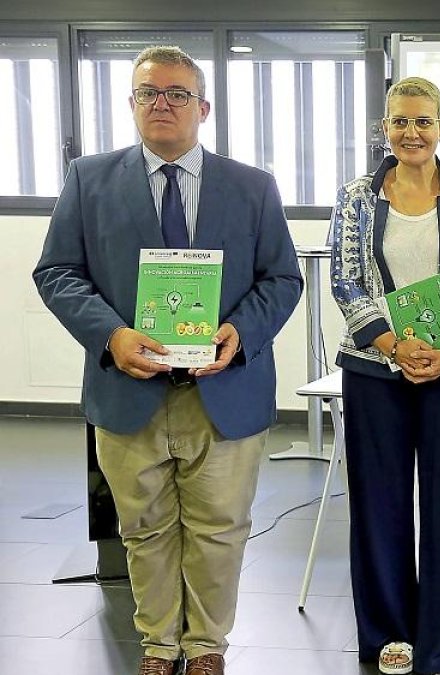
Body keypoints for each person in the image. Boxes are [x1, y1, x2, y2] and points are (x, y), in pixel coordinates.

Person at [32, 46, 302, 675]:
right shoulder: (89, 179)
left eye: (177, 93)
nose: (162, 103)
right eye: (148, 92)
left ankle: (206, 647)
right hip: (128, 390)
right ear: (131, 104)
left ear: (203, 107)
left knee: (220, 528)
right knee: (144, 528)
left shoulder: (252, 186)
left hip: (224, 391)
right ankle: (157, 646)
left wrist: (240, 331)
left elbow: (282, 279)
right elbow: (57, 273)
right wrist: (110, 336)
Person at [328, 76, 440, 675]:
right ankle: (388, 636)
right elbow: (345, 280)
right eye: (400, 121)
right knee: (380, 506)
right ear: (385, 129)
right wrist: (394, 344)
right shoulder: (355, 198)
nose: (411, 132)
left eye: (424, 122)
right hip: (376, 371)